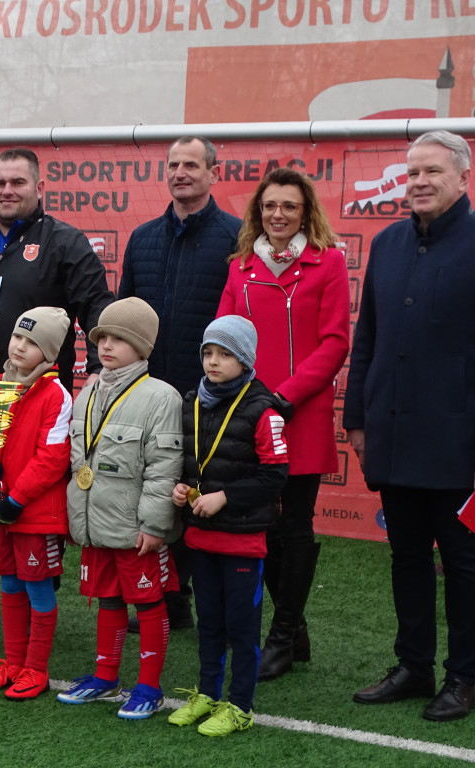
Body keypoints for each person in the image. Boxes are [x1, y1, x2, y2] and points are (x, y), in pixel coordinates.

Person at [345, 130, 475, 722]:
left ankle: (465, 676)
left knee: (465, 566)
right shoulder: (390, 243)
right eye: (412, 171)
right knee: (407, 560)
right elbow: (366, 335)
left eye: (432, 172)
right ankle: (413, 666)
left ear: (462, 179)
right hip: (394, 436)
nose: (419, 181)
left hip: (459, 443)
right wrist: (357, 419)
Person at [218, 167, 349, 680]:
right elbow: (224, 335)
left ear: (305, 212)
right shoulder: (241, 266)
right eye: (269, 205)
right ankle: (294, 632)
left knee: (293, 527)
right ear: (257, 211)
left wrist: (284, 397)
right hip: (249, 415)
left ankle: (282, 633)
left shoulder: (328, 263)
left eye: (289, 206)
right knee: (262, 529)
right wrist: (242, 400)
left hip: (300, 415)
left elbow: (335, 342)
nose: (278, 214)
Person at [117, 135, 242, 631]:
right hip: (147, 391)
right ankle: (155, 592)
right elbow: (124, 314)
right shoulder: (143, 237)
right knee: (147, 487)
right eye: (173, 165)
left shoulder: (236, 236)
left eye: (192, 164)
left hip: (205, 393)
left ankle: (185, 596)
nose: (180, 173)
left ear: (214, 171)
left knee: (192, 491)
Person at [58, 297, 183, 721]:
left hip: (135, 527)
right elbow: (79, 460)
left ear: (143, 347)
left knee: (147, 603)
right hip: (97, 523)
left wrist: (153, 523)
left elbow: (164, 468)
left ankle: (149, 686)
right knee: (107, 598)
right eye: (101, 338)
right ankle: (106, 676)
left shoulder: (161, 396)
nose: (106, 346)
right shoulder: (89, 390)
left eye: (118, 339)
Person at [169, 316, 290, 737]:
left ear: (245, 360)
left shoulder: (264, 409)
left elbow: (275, 476)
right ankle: (207, 693)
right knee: (210, 623)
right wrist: (182, 489)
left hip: (242, 540)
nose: (213, 362)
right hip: (201, 538)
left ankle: (240, 705)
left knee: (241, 628)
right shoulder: (192, 402)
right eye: (208, 353)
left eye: (225, 354)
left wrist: (226, 497)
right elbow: (190, 464)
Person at [0, 147, 112, 392]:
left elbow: (97, 308)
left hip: (37, 392)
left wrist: (97, 368)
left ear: (39, 188)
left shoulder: (65, 242)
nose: (7, 191)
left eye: (18, 182)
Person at [0, 306, 72, 699]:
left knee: (38, 589)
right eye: (17, 337)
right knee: (8, 585)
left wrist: (16, 498)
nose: (20, 347)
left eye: (31, 342)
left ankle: (36, 669)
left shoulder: (56, 394)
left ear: (49, 353)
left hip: (34, 513)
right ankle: (12, 663)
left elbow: (53, 457)